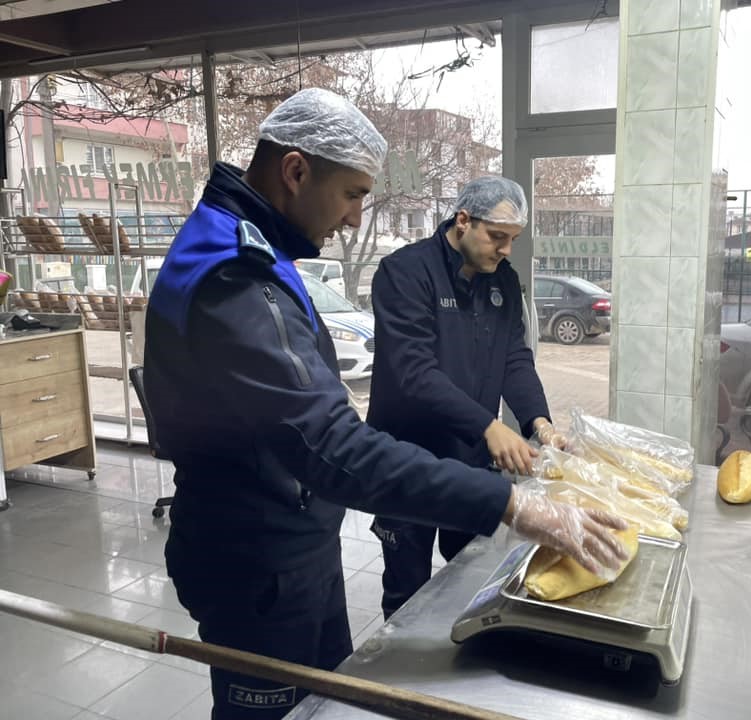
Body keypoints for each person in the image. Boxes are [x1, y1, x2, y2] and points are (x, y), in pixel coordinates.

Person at [143, 88, 628, 720]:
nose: (352, 219)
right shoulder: (235, 276)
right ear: (295, 171)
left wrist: (534, 422)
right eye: (351, 194)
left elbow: (509, 359)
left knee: (330, 699)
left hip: (296, 540)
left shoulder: (254, 248)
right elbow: (332, 444)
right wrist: (512, 503)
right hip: (256, 559)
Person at [367, 176, 568, 619]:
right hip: (407, 460)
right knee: (407, 592)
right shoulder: (405, 273)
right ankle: (397, 678)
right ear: (463, 221)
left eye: (513, 240)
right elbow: (414, 373)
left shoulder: (503, 283)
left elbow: (515, 357)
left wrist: (539, 422)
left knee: (475, 574)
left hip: (471, 459)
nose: (505, 250)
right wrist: (488, 425)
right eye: (498, 237)